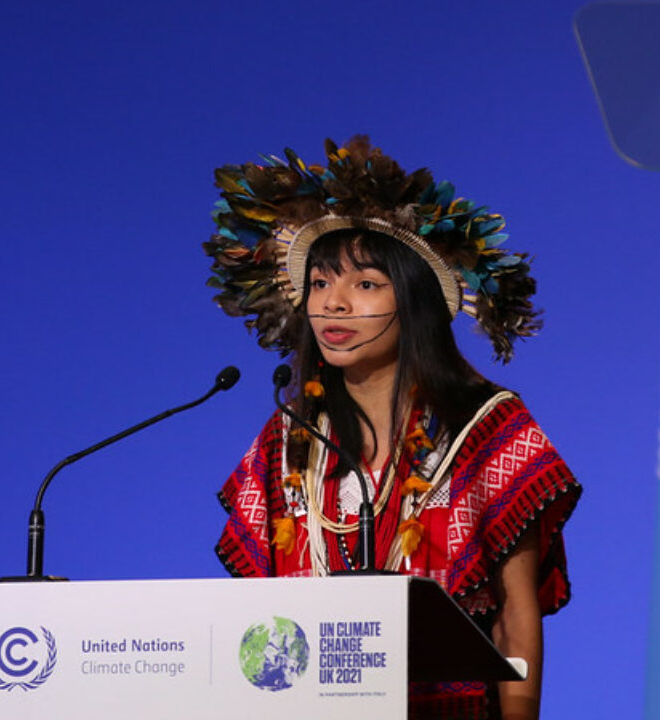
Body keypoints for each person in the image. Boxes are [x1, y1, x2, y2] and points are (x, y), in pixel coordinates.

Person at [205, 136, 581, 720]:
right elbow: (255, 622)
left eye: (366, 284)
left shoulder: (488, 430)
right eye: (322, 284)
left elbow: (514, 618)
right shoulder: (287, 443)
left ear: (415, 302)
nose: (334, 304)